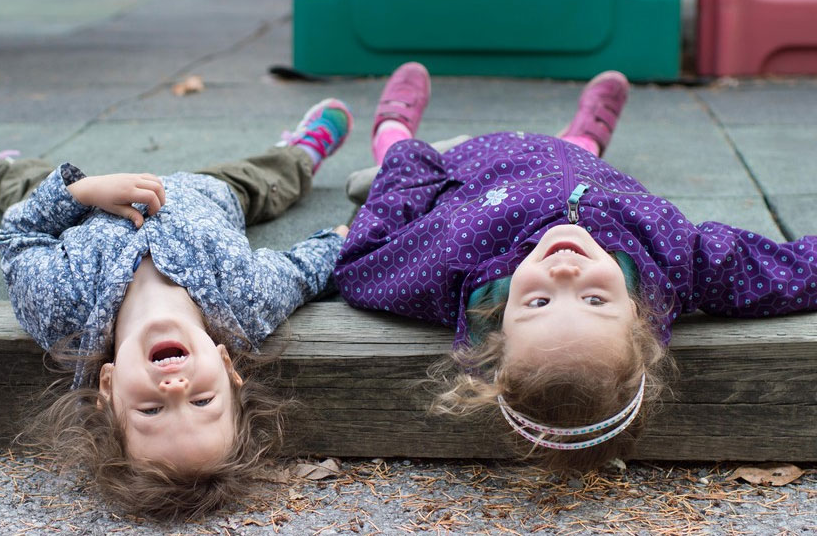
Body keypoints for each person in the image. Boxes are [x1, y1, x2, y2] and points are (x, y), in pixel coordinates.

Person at [335, 63, 817, 473]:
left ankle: (391, 129)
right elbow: (779, 272)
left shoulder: (448, 265)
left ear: (499, 325)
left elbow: (359, 263)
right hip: (582, 169)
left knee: (392, 163)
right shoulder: (673, 261)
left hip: (468, 164)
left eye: (538, 302)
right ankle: (586, 133)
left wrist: (409, 163)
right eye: (594, 300)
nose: (564, 276)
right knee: (580, 152)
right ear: (639, 317)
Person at [0, 98, 353, 518]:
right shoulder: (246, 298)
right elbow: (300, 272)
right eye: (203, 402)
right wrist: (343, 240)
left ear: (107, 388)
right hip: (208, 192)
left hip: (87, 210)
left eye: (152, 410)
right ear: (228, 368)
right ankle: (303, 152)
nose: (174, 389)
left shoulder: (62, 307)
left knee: (26, 188)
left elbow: (17, 238)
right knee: (263, 180)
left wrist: (79, 193)